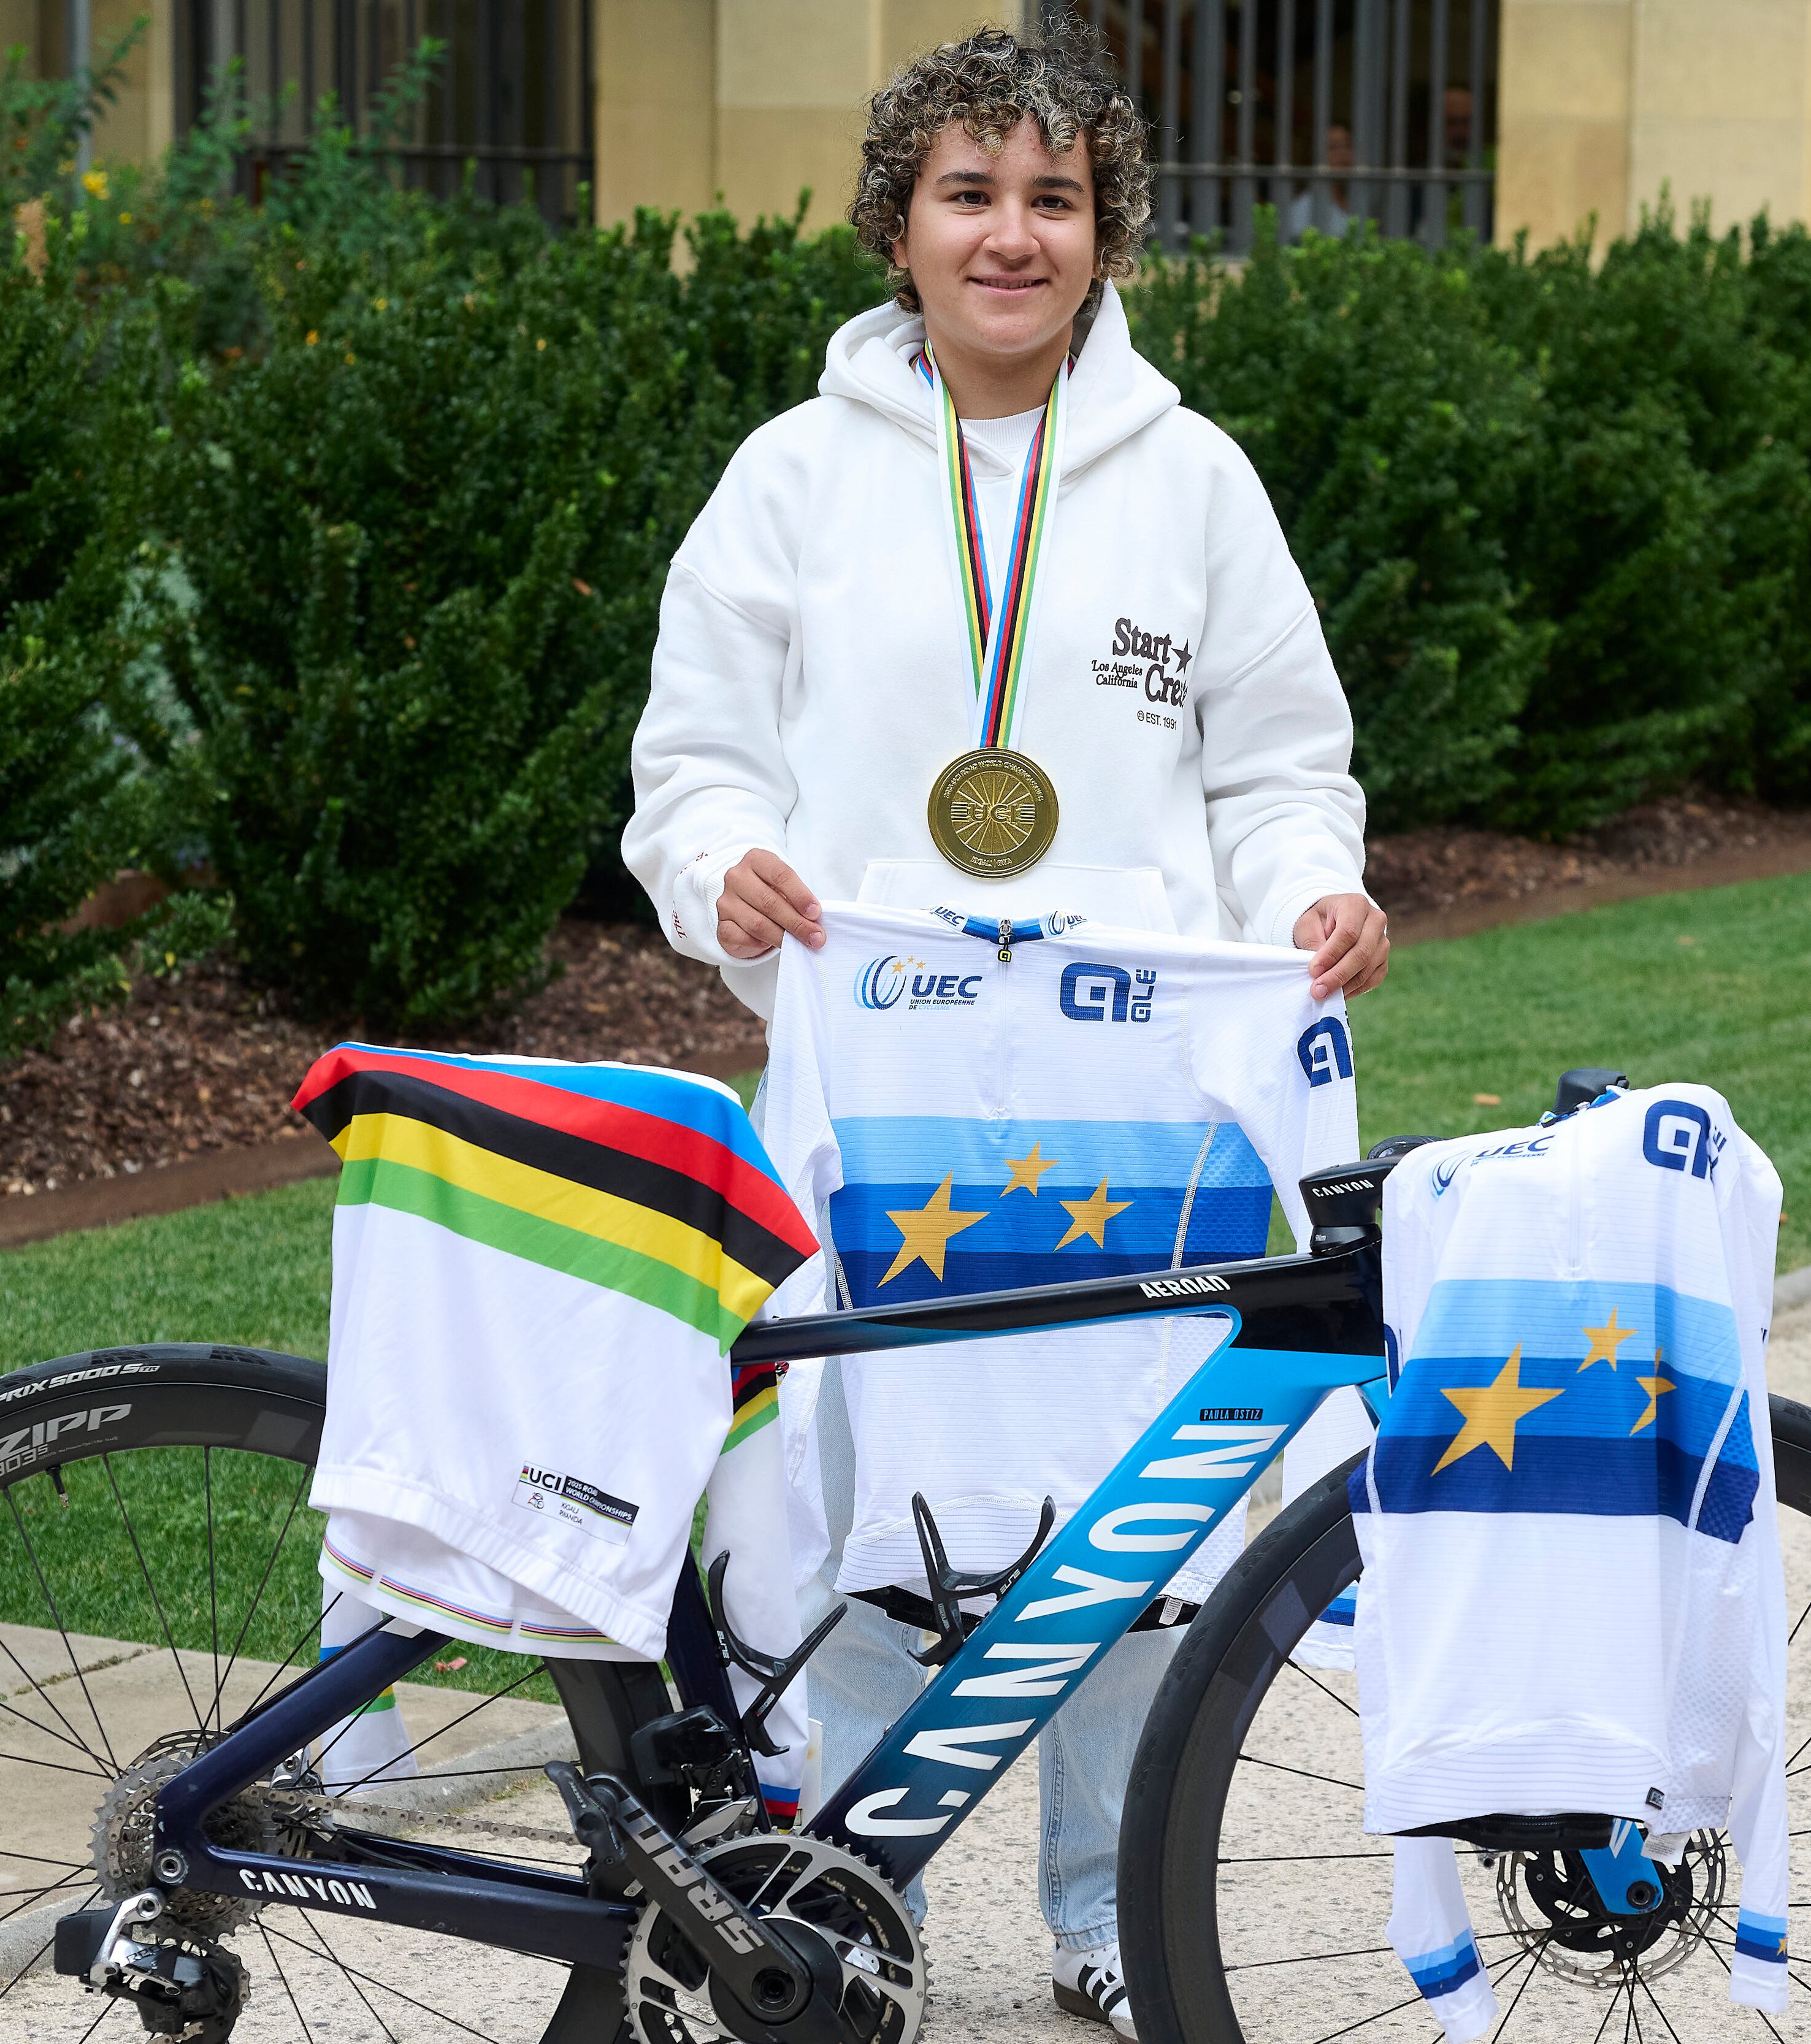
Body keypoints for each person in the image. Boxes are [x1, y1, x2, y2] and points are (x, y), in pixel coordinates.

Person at [622, 21, 1388, 2038]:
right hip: (870, 1089)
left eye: (1055, 197)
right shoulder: (791, 480)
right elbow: (691, 760)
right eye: (969, 192)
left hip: (1130, 1096)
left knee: (1132, 1509)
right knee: (849, 1498)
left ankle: (1110, 1910)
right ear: (898, 226)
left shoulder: (1194, 482)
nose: (1011, 234)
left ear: (1109, 232)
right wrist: (730, 875)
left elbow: (1281, 763)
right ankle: (830, 1896)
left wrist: (1312, 884)